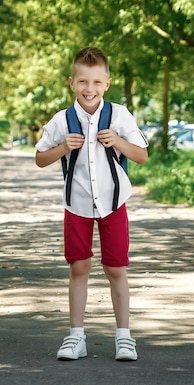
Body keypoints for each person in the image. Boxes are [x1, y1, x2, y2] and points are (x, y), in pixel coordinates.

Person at [35, 47, 148, 362]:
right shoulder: (62, 120)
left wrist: (118, 141)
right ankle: (76, 337)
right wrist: (61, 147)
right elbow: (40, 159)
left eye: (97, 82)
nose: (89, 89)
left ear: (107, 83)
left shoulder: (119, 115)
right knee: (79, 267)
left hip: (114, 203)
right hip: (77, 203)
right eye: (83, 81)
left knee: (115, 268)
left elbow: (141, 156)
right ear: (72, 82)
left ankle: (124, 338)